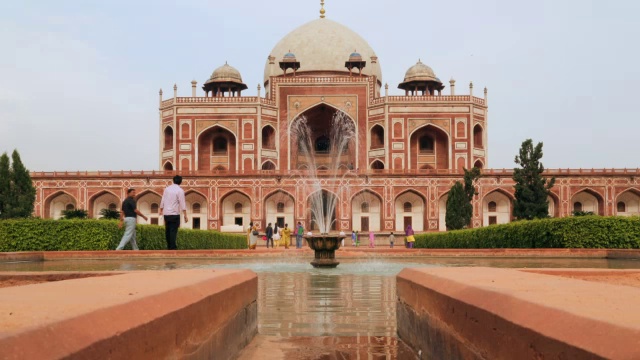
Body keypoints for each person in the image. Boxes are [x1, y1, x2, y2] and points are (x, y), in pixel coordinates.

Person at [159, 175, 188, 250]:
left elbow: (163, 199)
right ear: (180, 182)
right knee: (173, 231)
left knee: (167, 230)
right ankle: (172, 247)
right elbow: (182, 203)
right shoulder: (180, 190)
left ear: (173, 180)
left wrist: (161, 209)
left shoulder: (167, 189)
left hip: (166, 214)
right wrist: (185, 215)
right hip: (174, 214)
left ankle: (169, 246)